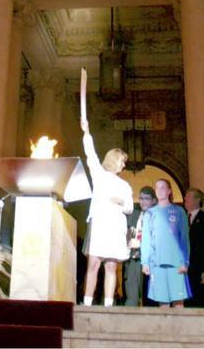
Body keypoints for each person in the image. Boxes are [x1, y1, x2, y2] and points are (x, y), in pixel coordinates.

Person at [80, 118, 133, 307]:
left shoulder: (124, 185)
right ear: (114, 160)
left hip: (115, 226)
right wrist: (87, 132)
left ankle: (108, 304)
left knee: (111, 266)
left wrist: (121, 202)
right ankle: (87, 303)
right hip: (100, 224)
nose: (124, 165)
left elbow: (130, 207)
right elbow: (90, 155)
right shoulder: (99, 175)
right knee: (93, 264)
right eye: (122, 161)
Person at [141, 179, 191, 307]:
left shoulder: (179, 211)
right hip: (156, 263)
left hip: (176, 263)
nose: (159, 190)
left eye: (163, 187)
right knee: (162, 303)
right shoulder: (150, 213)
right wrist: (145, 262)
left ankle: (180, 327)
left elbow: (184, 238)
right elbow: (146, 239)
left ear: (169, 191)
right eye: (157, 188)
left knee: (178, 301)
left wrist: (185, 261)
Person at [124, 187, 156, 306]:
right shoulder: (134, 214)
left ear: (154, 200)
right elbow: (128, 234)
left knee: (149, 298)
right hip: (133, 259)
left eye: (146, 198)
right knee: (131, 297)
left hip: (151, 261)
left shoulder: (157, 216)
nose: (143, 201)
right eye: (141, 198)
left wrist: (141, 247)